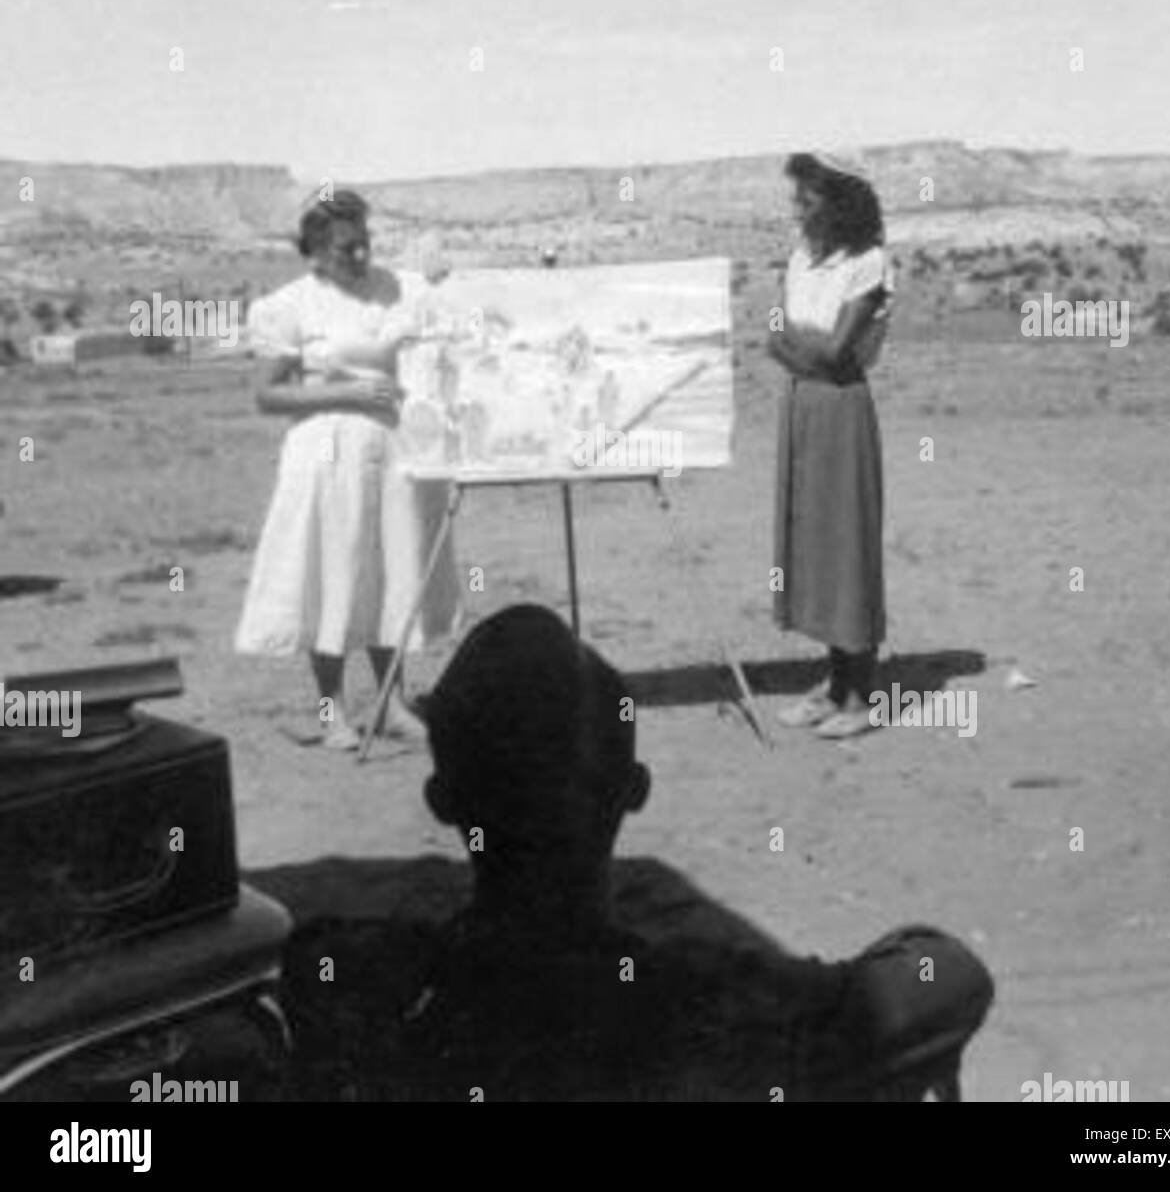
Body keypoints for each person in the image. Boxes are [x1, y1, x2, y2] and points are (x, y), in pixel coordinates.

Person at [283, 605, 993, 1100]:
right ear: (634, 792)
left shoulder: (365, 986)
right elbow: (949, 978)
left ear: (441, 802)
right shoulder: (697, 998)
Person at [234, 190, 461, 749]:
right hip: (325, 451)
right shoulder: (291, 305)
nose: (359, 255)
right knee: (335, 570)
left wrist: (443, 275)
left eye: (364, 243)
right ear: (313, 249)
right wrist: (348, 390)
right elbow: (266, 396)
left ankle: (390, 702)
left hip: (393, 445)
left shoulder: (393, 288)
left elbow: (444, 318)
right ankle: (331, 710)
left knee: (393, 566)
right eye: (344, 248)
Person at [770, 154, 894, 739]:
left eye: (807, 198)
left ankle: (864, 695)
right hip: (803, 406)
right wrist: (805, 345)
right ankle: (836, 682)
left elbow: (842, 352)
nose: (797, 208)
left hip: (841, 410)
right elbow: (775, 337)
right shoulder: (800, 260)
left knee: (847, 546)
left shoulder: (867, 263)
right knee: (814, 544)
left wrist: (802, 344)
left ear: (837, 202)